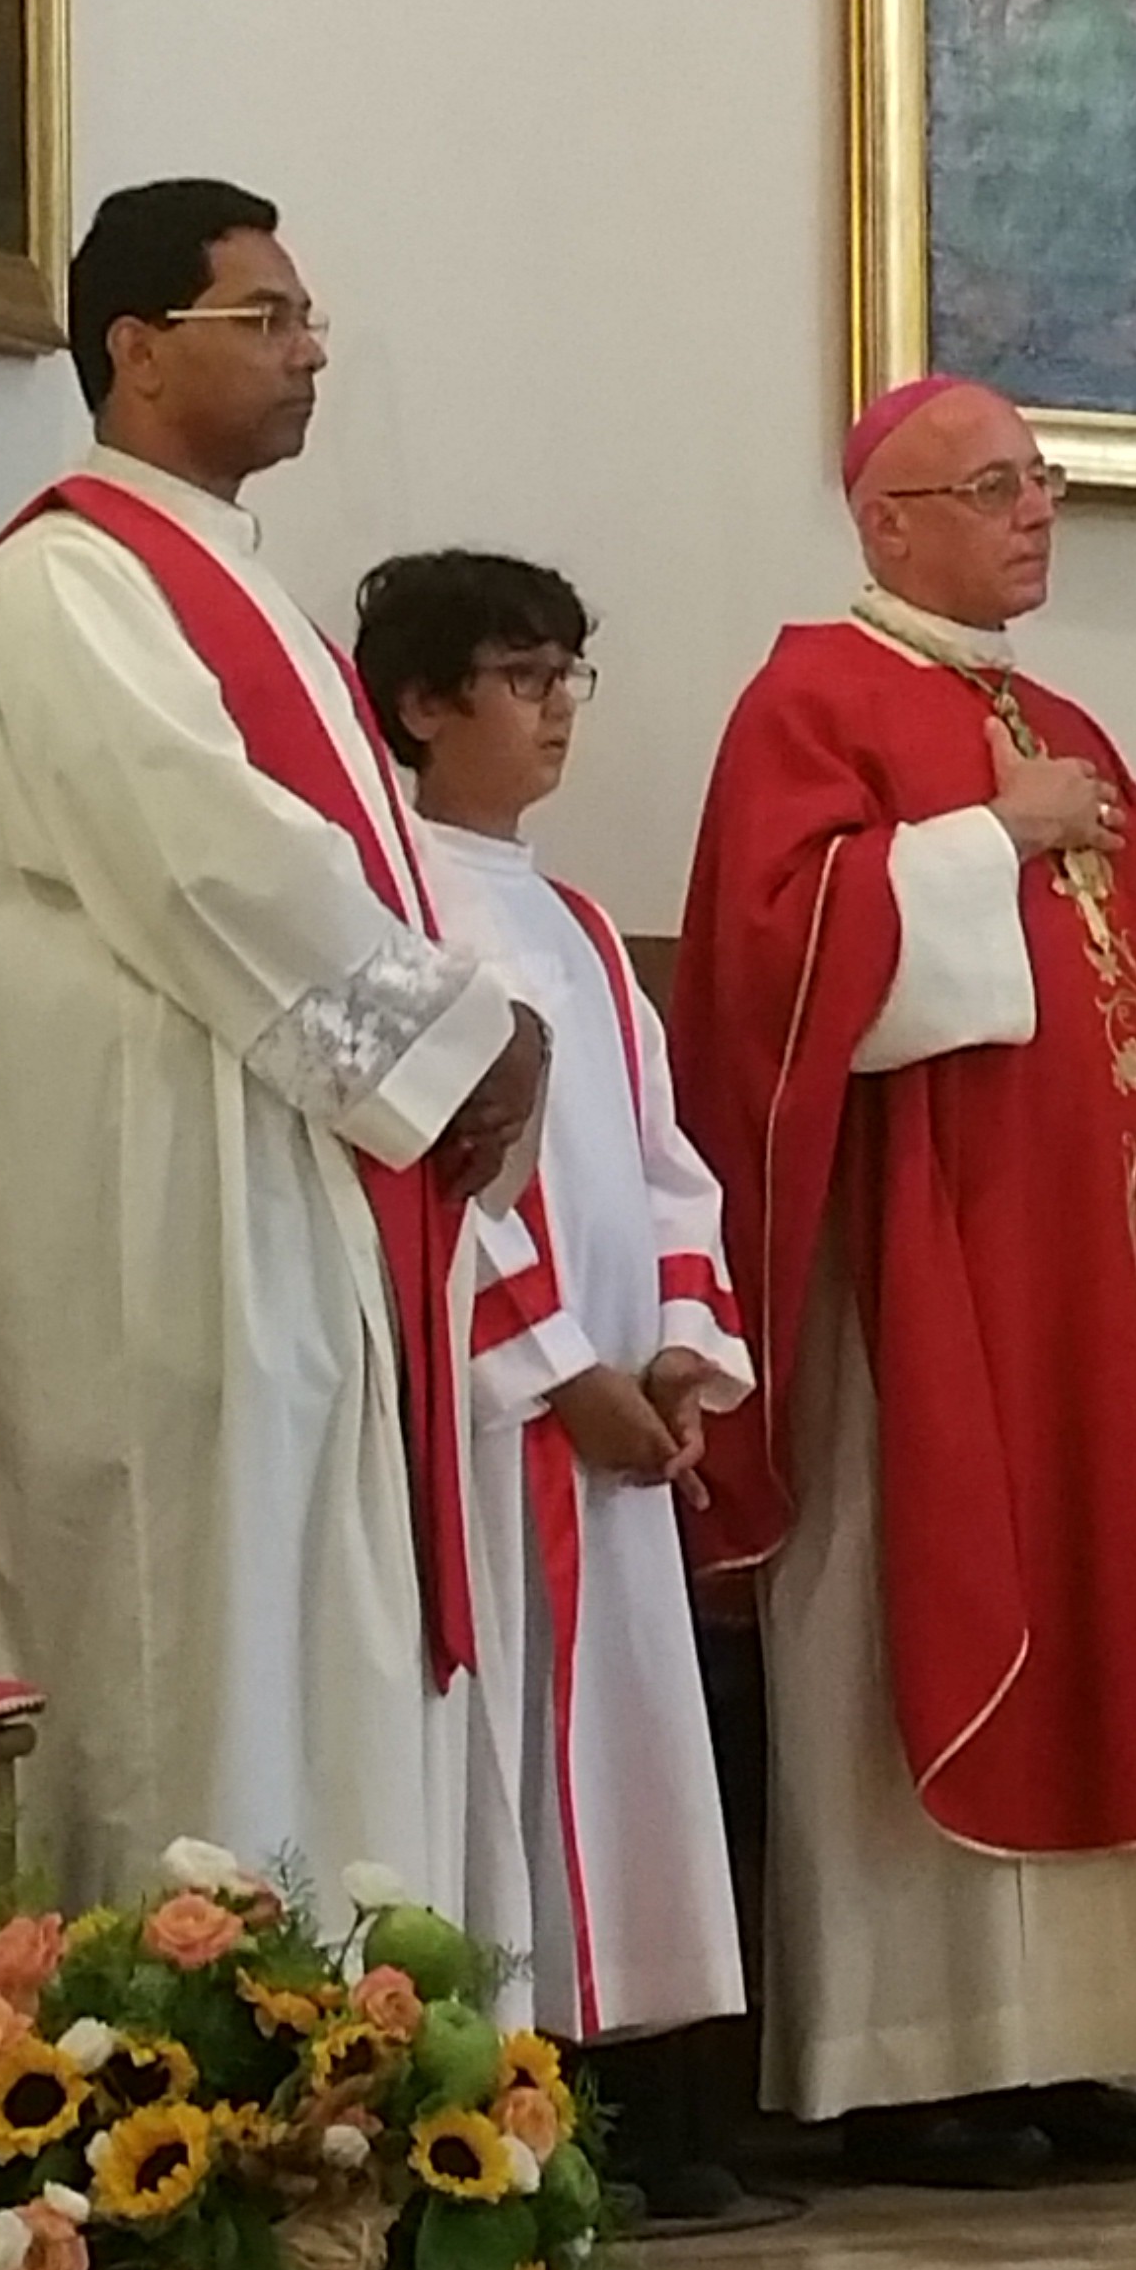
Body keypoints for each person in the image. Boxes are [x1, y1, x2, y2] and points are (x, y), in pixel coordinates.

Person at [669, 375, 1136, 2188]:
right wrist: (990, 841)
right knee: (930, 1597)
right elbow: (771, 968)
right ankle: (913, 2062)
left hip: (1101, 1280)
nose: (1036, 510)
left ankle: (1089, 2043)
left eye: (1042, 481)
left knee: (1110, 1605)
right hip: (922, 1274)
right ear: (886, 520)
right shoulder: (813, 696)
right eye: (992, 487)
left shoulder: (1059, 720)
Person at [0, 181, 542, 1897]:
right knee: (198, 1661)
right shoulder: (67, 581)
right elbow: (208, 858)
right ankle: (189, 2043)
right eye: (265, 319)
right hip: (171, 1222)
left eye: (306, 319)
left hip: (294, 1201)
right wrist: (460, 1039)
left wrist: (459, 1041)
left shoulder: (249, 597)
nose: (309, 350)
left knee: (314, 1651)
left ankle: (352, 2032)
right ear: (137, 351)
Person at [354, 546, 754, 2144]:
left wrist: (675, 1351)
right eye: (521, 678)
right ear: (421, 704)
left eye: (567, 675)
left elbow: (663, 1161)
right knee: (513, 1744)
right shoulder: (395, 903)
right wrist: (559, 1369)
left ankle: (628, 2088)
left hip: (616, 1412)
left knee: (626, 1744)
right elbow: (432, 1173)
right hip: (495, 1413)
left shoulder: (579, 923)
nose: (558, 709)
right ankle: (510, 2092)